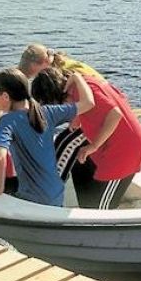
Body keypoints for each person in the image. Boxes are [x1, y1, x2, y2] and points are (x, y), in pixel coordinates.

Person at [31, 67, 141, 209]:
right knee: (78, 159)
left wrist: (93, 146)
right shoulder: (83, 85)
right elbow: (120, 97)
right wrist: (78, 117)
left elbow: (115, 114)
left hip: (124, 155)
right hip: (112, 148)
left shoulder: (84, 91)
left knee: (100, 212)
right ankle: (75, 204)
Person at [0, 68, 94, 206]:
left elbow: (0, 156)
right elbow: (88, 103)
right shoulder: (47, 112)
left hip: (32, 199)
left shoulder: (7, 121)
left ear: (5, 96)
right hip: (56, 194)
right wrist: (77, 77)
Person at [17, 43, 103, 184]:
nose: (36, 77)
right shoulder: (59, 67)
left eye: (36, 73)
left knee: (66, 142)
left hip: (97, 115)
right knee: (60, 140)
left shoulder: (67, 71)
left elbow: (90, 96)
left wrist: (77, 117)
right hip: (88, 110)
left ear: (44, 62)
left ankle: (53, 185)